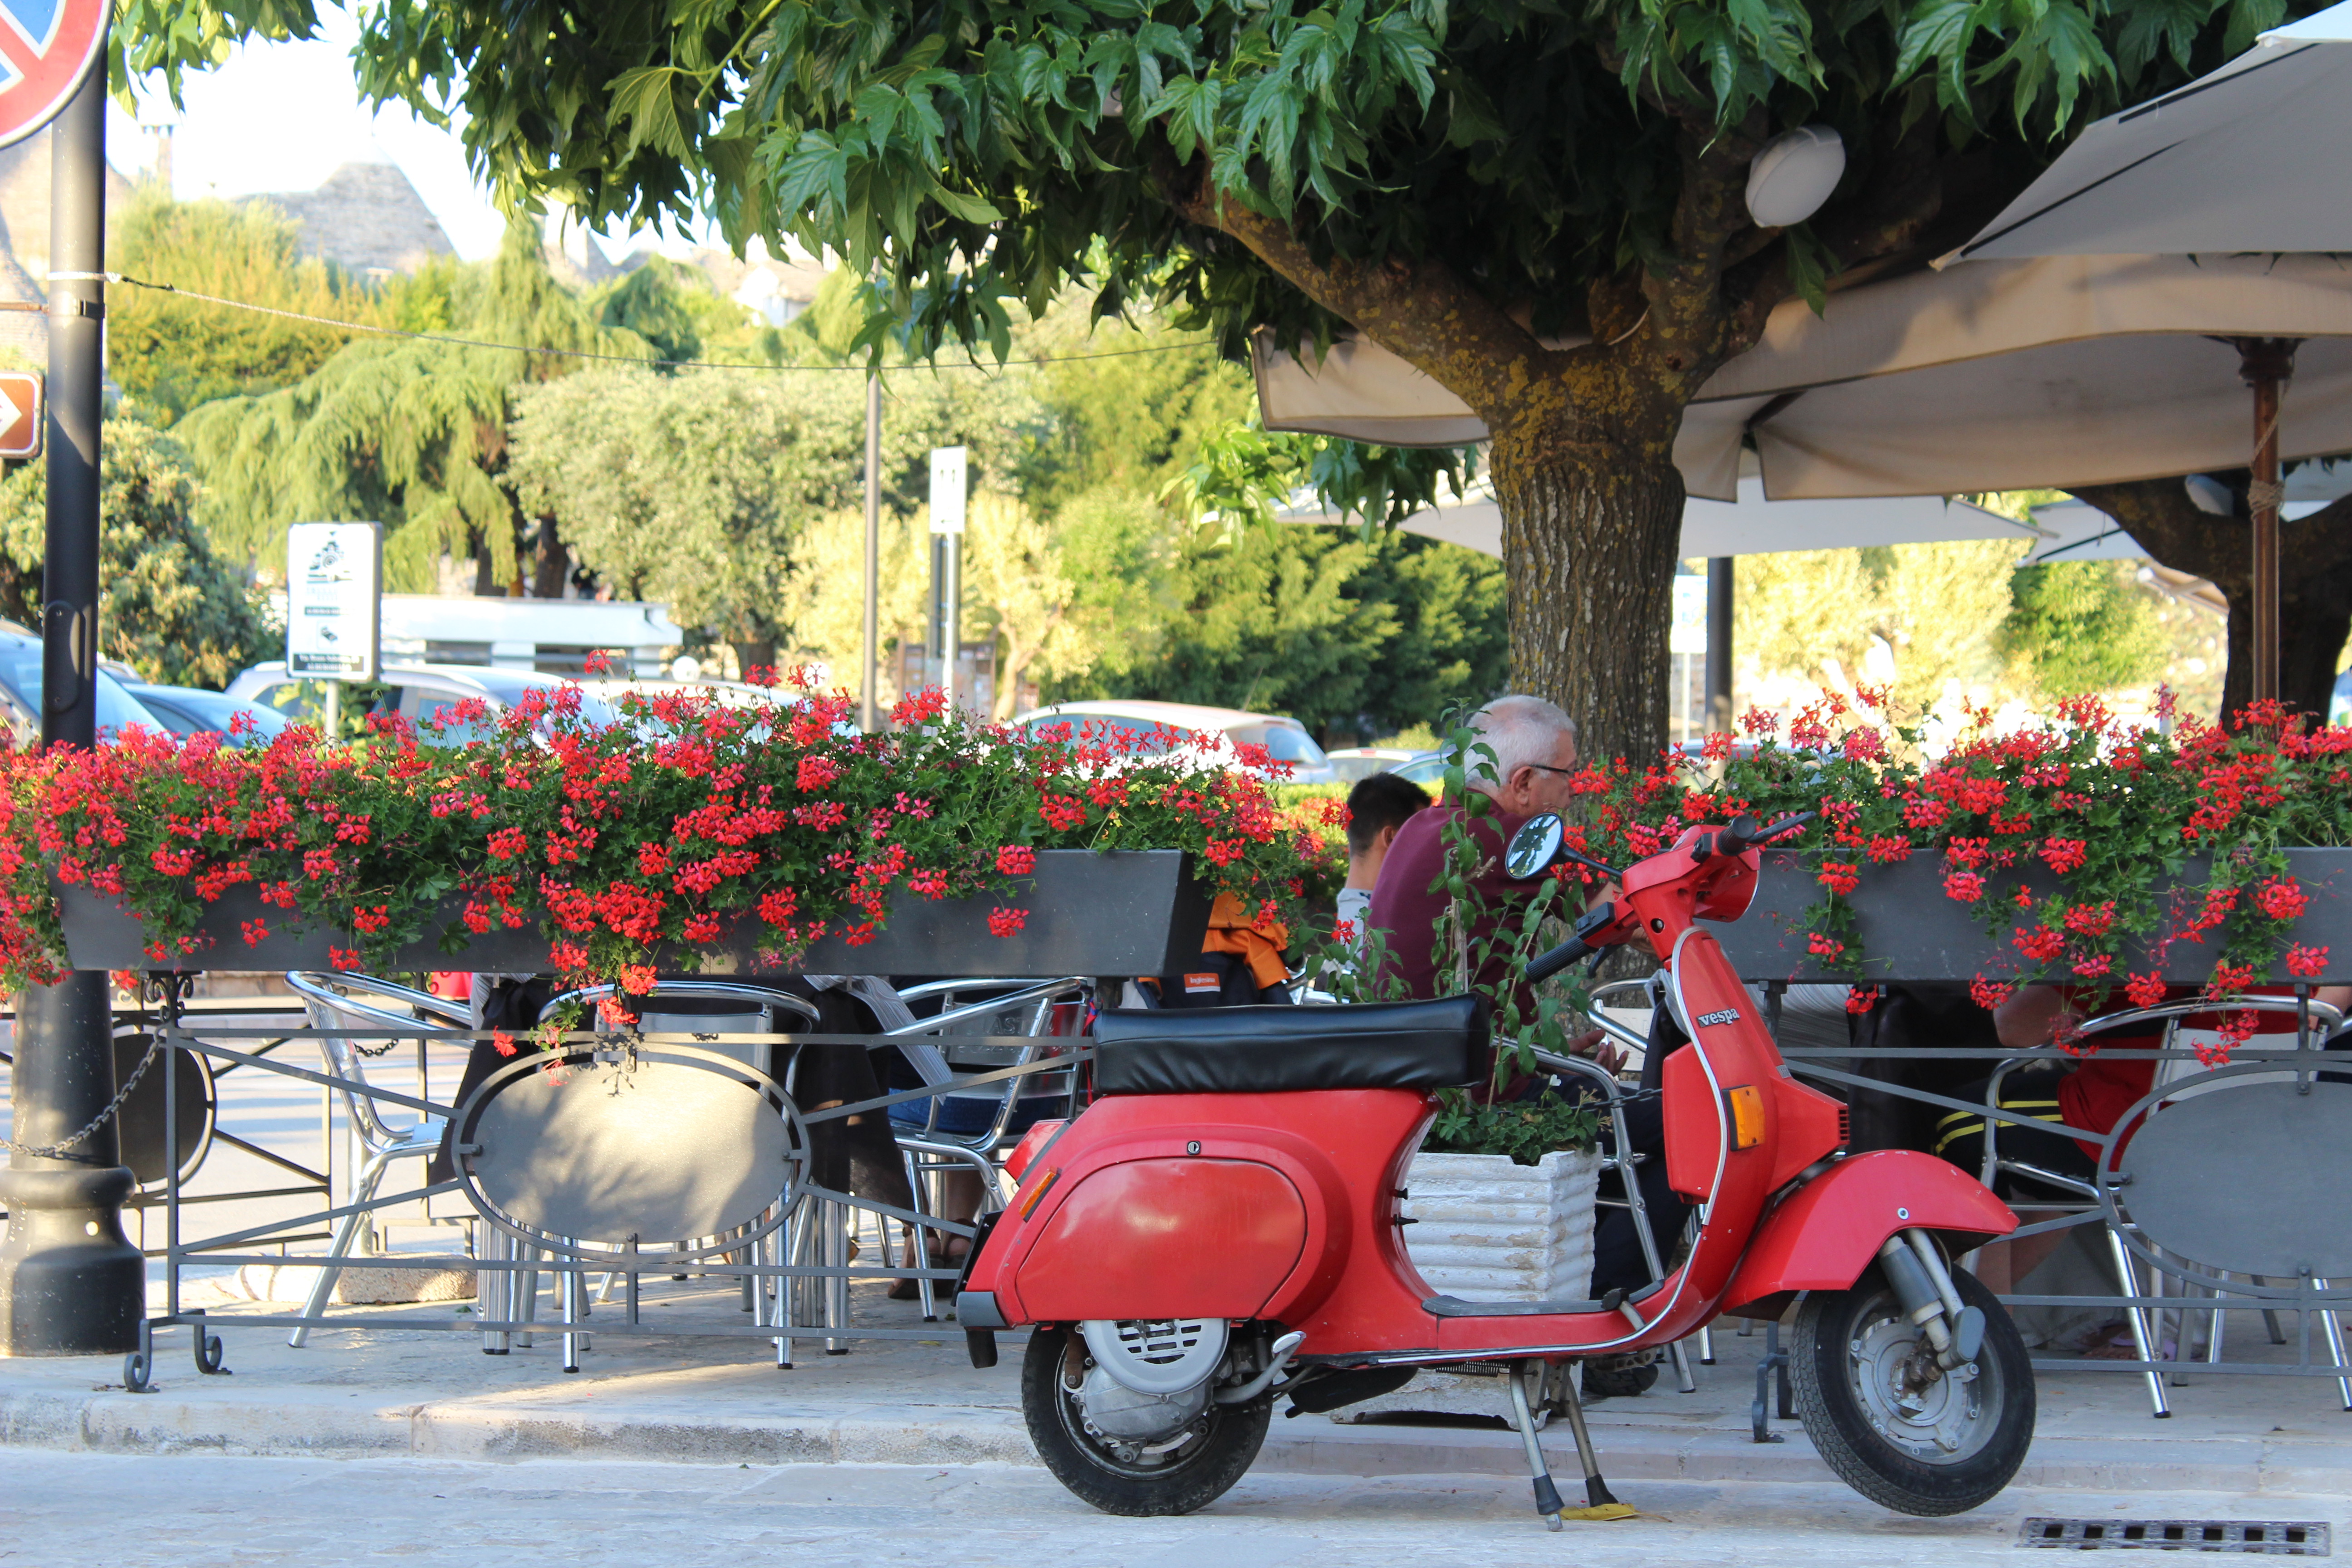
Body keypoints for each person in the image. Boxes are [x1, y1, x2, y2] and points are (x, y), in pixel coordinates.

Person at [1366, 696, 1679, 1396]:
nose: (1574, 792)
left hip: (1440, 1078)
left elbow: (1475, 969)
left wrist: (1553, 1042)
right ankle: (1601, 1329)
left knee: (1622, 1112)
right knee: (1688, 1128)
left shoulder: (1432, 826)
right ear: (1521, 784)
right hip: (1471, 1095)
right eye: (1568, 777)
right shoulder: (1503, 838)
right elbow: (1612, 916)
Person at [1334, 771, 1429, 957]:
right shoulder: (1374, 933)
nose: (1429, 844)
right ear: (1391, 837)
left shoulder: (1354, 920)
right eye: (1423, 834)